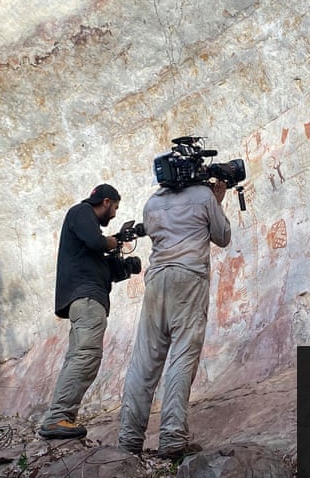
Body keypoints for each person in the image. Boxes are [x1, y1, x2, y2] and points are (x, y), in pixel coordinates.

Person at [117, 179, 231, 459]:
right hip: (188, 277)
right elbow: (223, 236)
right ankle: (171, 439)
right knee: (182, 356)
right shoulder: (204, 196)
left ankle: (129, 440)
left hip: (157, 279)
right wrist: (217, 200)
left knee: (145, 359)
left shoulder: (153, 202)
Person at [37, 183, 123, 440]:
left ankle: (61, 417)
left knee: (79, 357)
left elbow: (98, 258)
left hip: (85, 297)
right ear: (106, 202)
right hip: (86, 299)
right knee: (86, 356)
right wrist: (111, 241)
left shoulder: (85, 236)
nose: (115, 214)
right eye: (115, 208)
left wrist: (123, 266)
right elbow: (96, 242)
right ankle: (57, 418)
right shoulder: (81, 212)